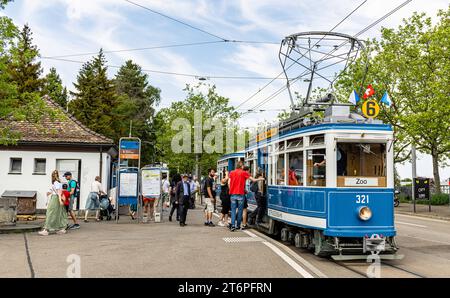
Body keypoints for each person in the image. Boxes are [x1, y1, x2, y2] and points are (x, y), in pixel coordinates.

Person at [228, 161, 264, 232]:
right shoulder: (244, 173)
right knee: (240, 210)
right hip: (241, 194)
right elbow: (253, 180)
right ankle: (238, 225)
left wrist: (231, 190)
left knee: (233, 210)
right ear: (242, 166)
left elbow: (229, 182)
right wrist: (261, 179)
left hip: (233, 194)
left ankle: (232, 225)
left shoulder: (231, 172)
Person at [39, 170, 68, 236]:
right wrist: (50, 192)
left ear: (52, 176)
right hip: (56, 198)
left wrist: (60, 200)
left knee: (50, 213)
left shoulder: (55, 182)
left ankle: (46, 230)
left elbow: (58, 192)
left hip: (55, 198)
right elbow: (58, 191)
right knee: (59, 213)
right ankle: (62, 228)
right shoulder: (58, 182)